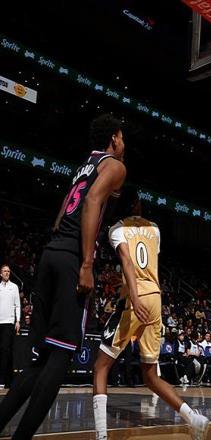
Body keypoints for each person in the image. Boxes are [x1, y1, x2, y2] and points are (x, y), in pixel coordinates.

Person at [0, 114, 127, 439]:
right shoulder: (114, 166)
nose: (124, 144)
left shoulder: (85, 165)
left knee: (39, 359)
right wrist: (86, 263)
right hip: (72, 257)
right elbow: (92, 202)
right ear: (114, 138)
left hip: (51, 252)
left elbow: (61, 215)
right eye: (122, 137)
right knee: (62, 355)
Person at [92, 187, 209, 439]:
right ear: (136, 204)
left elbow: (127, 261)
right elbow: (146, 261)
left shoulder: (116, 229)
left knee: (100, 367)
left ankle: (101, 435)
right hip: (156, 297)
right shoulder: (154, 229)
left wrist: (133, 295)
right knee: (150, 375)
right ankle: (193, 418)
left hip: (135, 299)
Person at [0, 265, 21, 388]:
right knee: (3, 351)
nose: (7, 273)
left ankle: (6, 380)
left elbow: (17, 305)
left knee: (6, 350)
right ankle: (6, 380)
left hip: (9, 322)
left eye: (8, 271)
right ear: (1, 274)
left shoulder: (14, 287)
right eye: (5, 271)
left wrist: (18, 320)